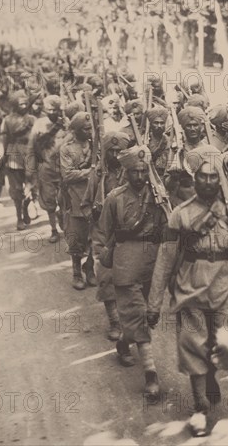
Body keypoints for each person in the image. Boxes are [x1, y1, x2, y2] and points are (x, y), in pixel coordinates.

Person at [147, 145, 228, 437]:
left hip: (225, 286)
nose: (209, 182)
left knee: (224, 347)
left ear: (220, 180)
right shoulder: (180, 215)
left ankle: (211, 372)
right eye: (203, 177)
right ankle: (200, 408)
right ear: (195, 179)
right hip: (190, 287)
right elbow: (165, 259)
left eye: (214, 177)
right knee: (193, 346)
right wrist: (154, 302)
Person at [95, 144, 168, 399]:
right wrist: (103, 264)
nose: (140, 176)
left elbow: (168, 228)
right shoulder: (115, 197)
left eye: (143, 171)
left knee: (145, 314)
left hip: (152, 261)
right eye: (135, 171)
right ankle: (151, 374)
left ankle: (124, 342)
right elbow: (103, 233)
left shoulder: (159, 195)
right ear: (126, 172)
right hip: (125, 262)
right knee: (136, 313)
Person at [82, 131, 130, 342]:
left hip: (129, 233)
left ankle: (131, 321)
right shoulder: (98, 175)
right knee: (106, 277)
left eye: (120, 151)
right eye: (111, 150)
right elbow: (85, 204)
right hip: (103, 233)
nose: (116, 154)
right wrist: (93, 212)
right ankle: (115, 322)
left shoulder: (133, 172)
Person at [60, 111, 97, 290]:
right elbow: (67, 175)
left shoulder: (95, 144)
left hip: (94, 196)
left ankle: (89, 268)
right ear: (75, 130)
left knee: (94, 235)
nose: (89, 131)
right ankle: (76, 272)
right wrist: (89, 172)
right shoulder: (66, 147)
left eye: (90, 128)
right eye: (85, 129)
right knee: (76, 236)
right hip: (75, 197)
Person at [26, 95, 67, 243]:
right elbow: (31, 146)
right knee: (49, 200)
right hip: (46, 167)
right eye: (48, 109)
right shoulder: (40, 124)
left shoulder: (66, 124)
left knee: (64, 199)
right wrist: (30, 168)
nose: (51, 112)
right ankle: (54, 230)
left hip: (63, 168)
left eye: (54, 109)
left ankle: (64, 221)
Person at [0, 90, 36, 230]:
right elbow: (3, 138)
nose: (24, 106)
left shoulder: (32, 119)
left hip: (31, 155)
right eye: (21, 104)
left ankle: (26, 206)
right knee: (17, 189)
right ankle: (19, 216)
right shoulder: (7, 120)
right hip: (14, 155)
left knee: (32, 186)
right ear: (14, 105)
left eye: (26, 103)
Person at [164, 106, 208, 206]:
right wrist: (173, 178)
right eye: (188, 126)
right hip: (182, 202)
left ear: (201, 128)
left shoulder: (208, 149)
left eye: (195, 125)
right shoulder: (177, 150)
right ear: (183, 128)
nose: (192, 129)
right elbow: (167, 183)